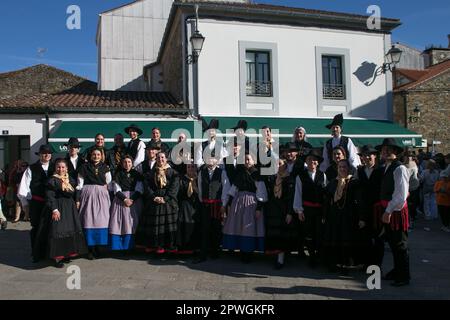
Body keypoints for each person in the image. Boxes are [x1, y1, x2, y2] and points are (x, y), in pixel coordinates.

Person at [373, 138, 410, 286]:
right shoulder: (387, 166)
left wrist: (388, 211)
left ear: (395, 152)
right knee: (393, 245)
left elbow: (401, 196)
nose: (385, 152)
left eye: (388, 149)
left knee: (400, 245)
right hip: (388, 209)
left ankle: (403, 276)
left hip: (395, 211)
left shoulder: (399, 168)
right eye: (383, 149)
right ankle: (397, 271)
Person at [39, 159, 87, 268]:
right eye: (58, 167)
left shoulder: (70, 179)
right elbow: (50, 196)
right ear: (55, 168)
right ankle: (57, 257)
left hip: (69, 207)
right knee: (58, 230)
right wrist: (54, 209)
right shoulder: (52, 180)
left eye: (63, 167)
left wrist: (77, 201)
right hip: (58, 206)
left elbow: (74, 192)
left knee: (69, 229)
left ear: (67, 168)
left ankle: (67, 254)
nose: (61, 169)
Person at [222, 152, 268, 263]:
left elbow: (261, 192)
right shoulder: (240, 173)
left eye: (249, 159)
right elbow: (233, 189)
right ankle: (241, 250)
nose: (247, 162)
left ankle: (248, 252)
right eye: (245, 159)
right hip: (238, 203)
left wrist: (258, 208)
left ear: (254, 161)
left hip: (251, 204)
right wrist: (227, 203)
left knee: (249, 228)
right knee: (238, 226)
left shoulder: (257, 174)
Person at [136, 152, 179, 254]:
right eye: (158, 158)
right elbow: (147, 186)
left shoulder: (173, 173)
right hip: (154, 201)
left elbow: (174, 187)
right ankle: (156, 247)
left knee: (167, 226)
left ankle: (169, 247)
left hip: (168, 202)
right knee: (155, 225)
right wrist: (153, 197)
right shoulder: (150, 173)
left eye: (162, 157)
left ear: (166, 159)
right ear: (156, 159)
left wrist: (166, 198)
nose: (160, 159)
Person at [17, 144, 55, 262]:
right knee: (37, 228)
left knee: (53, 229)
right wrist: (25, 205)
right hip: (37, 204)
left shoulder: (56, 167)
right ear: (39, 155)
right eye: (44, 153)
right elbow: (23, 188)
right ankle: (36, 254)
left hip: (52, 204)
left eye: (48, 153)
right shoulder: (31, 168)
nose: (46, 155)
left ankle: (52, 255)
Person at [323, 159, 361, 273]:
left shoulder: (353, 182)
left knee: (346, 239)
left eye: (344, 167)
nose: (342, 169)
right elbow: (326, 200)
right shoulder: (333, 182)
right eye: (340, 167)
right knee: (335, 238)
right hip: (334, 215)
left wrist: (361, 217)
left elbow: (359, 201)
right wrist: (325, 215)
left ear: (348, 168)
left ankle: (345, 265)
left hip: (348, 215)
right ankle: (334, 263)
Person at [293, 149, 327, 268]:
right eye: (309, 159)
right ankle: (311, 256)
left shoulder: (323, 175)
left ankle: (318, 255)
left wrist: (325, 211)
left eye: (314, 160)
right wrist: (299, 210)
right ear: (306, 162)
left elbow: (325, 194)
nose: (312, 161)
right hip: (307, 209)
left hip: (319, 210)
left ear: (317, 162)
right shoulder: (300, 176)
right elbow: (298, 193)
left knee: (319, 233)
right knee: (308, 234)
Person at [77, 148, 112, 260]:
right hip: (88, 195)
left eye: (98, 154)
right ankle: (90, 248)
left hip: (102, 195)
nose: (96, 156)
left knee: (101, 220)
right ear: (90, 155)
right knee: (88, 220)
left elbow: (109, 183)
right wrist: (78, 198)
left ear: (101, 156)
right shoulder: (84, 167)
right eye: (94, 154)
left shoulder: (105, 167)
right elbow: (79, 184)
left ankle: (98, 247)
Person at [194, 153, 230, 263]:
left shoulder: (222, 172)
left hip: (217, 204)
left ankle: (215, 252)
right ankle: (203, 253)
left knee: (216, 228)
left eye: (212, 158)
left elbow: (225, 188)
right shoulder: (202, 172)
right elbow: (200, 187)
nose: (210, 160)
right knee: (205, 228)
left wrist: (224, 204)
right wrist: (202, 200)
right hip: (205, 204)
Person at [265, 159, 298, 269]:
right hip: (273, 210)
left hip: (283, 210)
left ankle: (281, 259)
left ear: (285, 166)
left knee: (283, 235)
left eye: (279, 163)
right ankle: (275, 255)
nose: (277, 165)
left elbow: (291, 197)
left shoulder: (290, 179)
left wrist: (289, 212)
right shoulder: (272, 177)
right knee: (274, 234)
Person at [355, 145, 384, 267]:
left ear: (375, 156)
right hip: (364, 208)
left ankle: (376, 265)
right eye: (364, 155)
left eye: (369, 155)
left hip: (377, 209)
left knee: (378, 238)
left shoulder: (381, 170)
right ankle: (366, 263)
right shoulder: (360, 171)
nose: (366, 157)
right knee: (364, 238)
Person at [109, 155, 143, 254]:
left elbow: (139, 189)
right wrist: (125, 199)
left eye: (129, 162)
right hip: (121, 200)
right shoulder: (118, 174)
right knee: (121, 223)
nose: (127, 164)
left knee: (133, 223)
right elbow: (116, 189)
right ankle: (121, 247)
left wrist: (131, 199)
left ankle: (133, 246)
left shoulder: (137, 174)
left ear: (132, 164)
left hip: (134, 201)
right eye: (125, 162)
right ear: (122, 163)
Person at [176, 163, 200, 255]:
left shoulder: (199, 179)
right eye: (188, 167)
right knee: (183, 226)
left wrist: (195, 188)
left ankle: (195, 248)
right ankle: (184, 249)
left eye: (193, 167)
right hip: (184, 205)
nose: (191, 169)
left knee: (195, 226)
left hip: (196, 206)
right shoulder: (181, 179)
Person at [403, 152, 420, 228]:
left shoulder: (409, 165)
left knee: (410, 205)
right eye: (408, 156)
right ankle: (412, 218)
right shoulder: (412, 163)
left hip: (411, 188)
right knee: (412, 204)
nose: (409, 158)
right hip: (413, 187)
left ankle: (411, 221)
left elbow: (407, 177)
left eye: (410, 156)